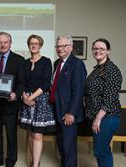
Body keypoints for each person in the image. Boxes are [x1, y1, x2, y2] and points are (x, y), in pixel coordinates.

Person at [0, 31, 25, 167]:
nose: (2, 45)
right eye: (0, 42)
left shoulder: (19, 60)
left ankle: (11, 160)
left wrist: (16, 94)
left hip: (10, 103)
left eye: (5, 42)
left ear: (10, 42)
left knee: (11, 134)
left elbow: (22, 82)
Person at [85, 38, 123, 167]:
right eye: (95, 48)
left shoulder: (112, 70)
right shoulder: (97, 69)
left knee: (101, 150)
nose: (98, 51)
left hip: (107, 117)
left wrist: (98, 118)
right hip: (99, 116)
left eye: (101, 48)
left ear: (108, 51)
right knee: (100, 150)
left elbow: (109, 98)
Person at [50, 35, 87, 167]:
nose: (60, 49)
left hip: (68, 112)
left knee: (68, 146)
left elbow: (78, 91)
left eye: (64, 46)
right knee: (61, 144)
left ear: (71, 47)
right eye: (58, 46)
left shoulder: (77, 64)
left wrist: (71, 112)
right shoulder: (57, 63)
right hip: (57, 108)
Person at [20, 34, 55, 167]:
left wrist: (31, 97)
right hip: (26, 100)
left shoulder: (46, 61)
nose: (34, 45)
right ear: (28, 45)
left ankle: (35, 165)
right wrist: (24, 97)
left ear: (40, 45)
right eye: (31, 43)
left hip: (40, 100)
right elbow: (21, 82)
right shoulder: (24, 62)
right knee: (30, 133)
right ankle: (34, 160)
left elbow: (46, 84)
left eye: (36, 43)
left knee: (37, 135)